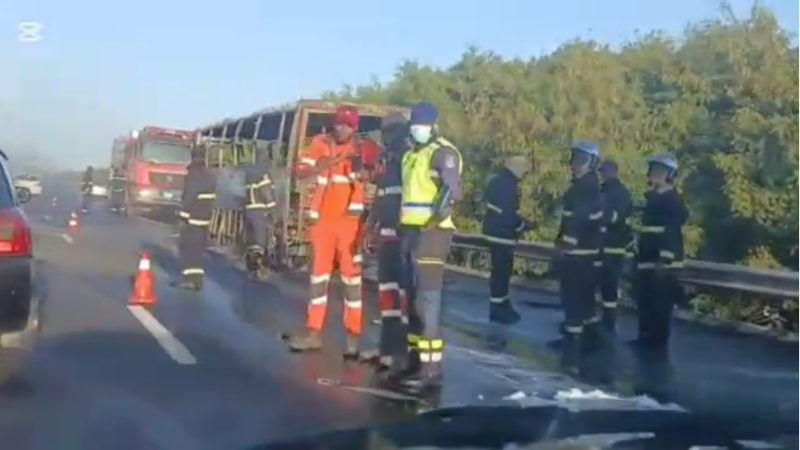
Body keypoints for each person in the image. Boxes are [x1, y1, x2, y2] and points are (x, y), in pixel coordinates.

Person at [285, 105, 380, 358]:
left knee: (352, 282)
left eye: (348, 125)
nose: (342, 129)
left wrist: (364, 171)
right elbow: (300, 171)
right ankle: (313, 333)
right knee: (318, 279)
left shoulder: (364, 147)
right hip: (323, 223)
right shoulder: (319, 143)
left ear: (354, 128)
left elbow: (375, 173)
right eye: (339, 123)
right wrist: (321, 165)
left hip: (351, 225)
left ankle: (353, 338)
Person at [394, 101, 463, 390]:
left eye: (422, 125)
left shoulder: (442, 152)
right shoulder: (411, 155)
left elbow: (452, 192)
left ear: (434, 125)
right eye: (414, 125)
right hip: (410, 232)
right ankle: (414, 362)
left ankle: (431, 370)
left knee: (427, 302)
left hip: (432, 234)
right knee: (411, 301)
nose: (417, 129)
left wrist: (434, 221)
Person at [358, 112, 412, 371]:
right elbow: (380, 196)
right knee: (387, 294)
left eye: (391, 130)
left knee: (403, 295)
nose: (387, 135)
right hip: (387, 234)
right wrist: (370, 227)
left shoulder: (408, 157)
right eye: (385, 131)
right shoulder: (386, 158)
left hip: (404, 235)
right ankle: (387, 348)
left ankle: (402, 352)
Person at [554, 141, 603, 371]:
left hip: (577, 255)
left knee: (573, 305)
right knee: (585, 306)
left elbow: (576, 221)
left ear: (592, 163)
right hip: (586, 255)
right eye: (574, 158)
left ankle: (571, 357)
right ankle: (592, 348)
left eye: (581, 159)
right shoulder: (588, 186)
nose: (575, 163)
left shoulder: (583, 188)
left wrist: (565, 245)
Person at [632, 153, 687, 350]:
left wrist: (664, 260)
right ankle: (645, 339)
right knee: (645, 302)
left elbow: (670, 232)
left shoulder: (671, 201)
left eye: (658, 170)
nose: (652, 173)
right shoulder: (654, 199)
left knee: (660, 305)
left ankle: (656, 346)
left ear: (669, 174)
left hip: (662, 264)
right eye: (652, 169)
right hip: (648, 260)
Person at [481, 156, 533, 325]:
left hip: (494, 232)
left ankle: (501, 305)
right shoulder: (508, 185)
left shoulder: (497, 180)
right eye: (523, 170)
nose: (524, 174)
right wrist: (523, 225)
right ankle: (499, 309)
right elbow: (508, 214)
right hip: (502, 235)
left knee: (500, 273)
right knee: (502, 274)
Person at [172, 147, 217, 291]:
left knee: (188, 248)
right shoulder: (210, 175)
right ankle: (198, 280)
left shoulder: (193, 174)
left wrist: (183, 217)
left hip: (193, 217)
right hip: (205, 217)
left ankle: (189, 280)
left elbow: (189, 197)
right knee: (198, 249)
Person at [596, 160, 632, 333]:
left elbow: (619, 217)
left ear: (613, 172)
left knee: (609, 283)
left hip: (613, 244)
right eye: (601, 171)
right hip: (602, 244)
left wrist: (600, 215)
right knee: (603, 283)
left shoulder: (619, 192)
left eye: (604, 171)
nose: (602, 174)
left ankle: (609, 320)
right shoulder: (604, 190)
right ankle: (604, 319)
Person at [243, 148, 278, 280]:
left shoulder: (250, 174)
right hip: (260, 210)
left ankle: (251, 269)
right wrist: (272, 209)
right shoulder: (263, 174)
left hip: (249, 209)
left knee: (253, 242)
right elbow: (266, 192)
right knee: (260, 242)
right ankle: (258, 270)